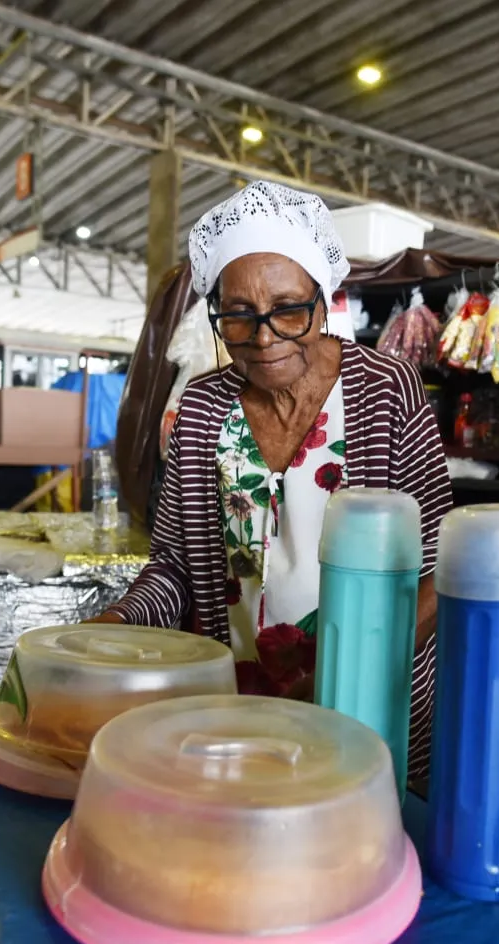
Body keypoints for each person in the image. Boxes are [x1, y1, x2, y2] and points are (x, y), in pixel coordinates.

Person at [92, 181, 453, 772]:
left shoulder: (386, 389)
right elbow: (175, 569)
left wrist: (352, 673)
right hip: (236, 720)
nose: (263, 339)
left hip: (371, 713)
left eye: (288, 309)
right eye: (237, 317)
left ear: (321, 298)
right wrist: (114, 626)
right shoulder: (204, 409)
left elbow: (437, 569)